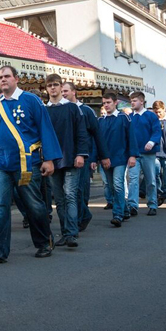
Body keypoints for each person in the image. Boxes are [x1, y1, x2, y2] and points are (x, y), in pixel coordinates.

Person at [0, 65, 62, 263]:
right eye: (0, 77)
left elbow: (45, 128)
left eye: (7, 76)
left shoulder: (31, 100)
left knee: (33, 204)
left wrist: (49, 159)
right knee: (0, 206)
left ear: (16, 78)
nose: (3, 80)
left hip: (26, 162)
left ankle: (43, 242)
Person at [42, 74, 89, 248]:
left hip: (71, 157)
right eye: (49, 85)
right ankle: (65, 232)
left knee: (70, 196)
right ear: (46, 88)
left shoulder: (72, 108)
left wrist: (81, 154)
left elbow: (81, 132)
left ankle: (71, 233)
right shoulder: (44, 110)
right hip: (52, 161)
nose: (52, 88)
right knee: (59, 199)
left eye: (55, 85)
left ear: (61, 87)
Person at [64, 82, 107, 232]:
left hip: (83, 156)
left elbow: (96, 134)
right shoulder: (61, 109)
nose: (63, 94)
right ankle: (77, 218)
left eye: (66, 91)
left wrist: (100, 156)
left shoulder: (86, 111)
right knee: (69, 192)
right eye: (61, 91)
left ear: (74, 92)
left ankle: (82, 216)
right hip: (65, 157)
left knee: (79, 189)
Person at [98, 93, 137, 227]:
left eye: (108, 102)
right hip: (105, 159)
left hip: (120, 157)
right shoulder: (101, 121)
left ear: (115, 102)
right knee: (111, 187)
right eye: (104, 103)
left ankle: (117, 214)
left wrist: (132, 155)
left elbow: (131, 137)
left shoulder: (123, 118)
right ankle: (125, 210)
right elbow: (98, 141)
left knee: (118, 184)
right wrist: (96, 158)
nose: (106, 105)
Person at [126, 92, 161, 216]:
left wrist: (152, 142)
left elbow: (157, 131)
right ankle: (132, 205)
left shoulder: (151, 116)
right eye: (131, 101)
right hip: (134, 154)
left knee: (150, 180)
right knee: (133, 180)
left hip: (148, 153)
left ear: (142, 101)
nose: (132, 103)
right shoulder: (130, 117)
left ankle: (152, 204)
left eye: (134, 100)